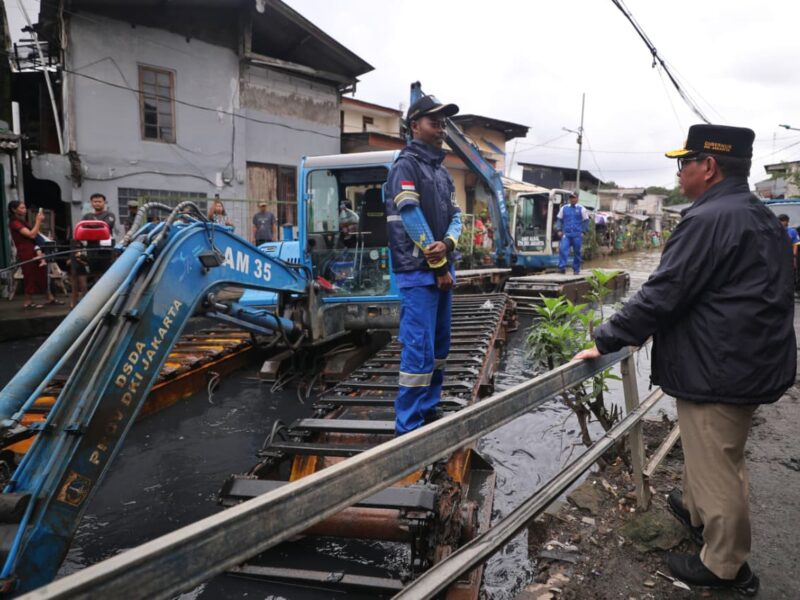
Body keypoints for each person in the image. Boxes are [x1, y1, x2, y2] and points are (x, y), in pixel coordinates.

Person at [574, 124, 796, 595]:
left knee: (718, 463)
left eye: (684, 163)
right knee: (714, 451)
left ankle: (726, 567)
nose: (678, 174)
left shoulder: (708, 219)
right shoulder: (756, 214)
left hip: (721, 368)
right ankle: (695, 509)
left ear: (709, 167)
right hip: (744, 360)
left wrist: (608, 338)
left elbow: (662, 293)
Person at [385, 94, 462, 435]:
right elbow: (411, 217)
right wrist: (440, 266)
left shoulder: (442, 173)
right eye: (435, 122)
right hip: (419, 274)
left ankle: (429, 410)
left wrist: (447, 244)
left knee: (440, 347)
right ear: (415, 125)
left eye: (443, 123)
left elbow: (458, 217)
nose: (441, 128)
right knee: (418, 350)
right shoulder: (406, 165)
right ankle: (408, 428)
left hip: (442, 267)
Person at [7, 201, 60, 309]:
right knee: (30, 275)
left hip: (34, 250)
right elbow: (31, 235)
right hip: (26, 251)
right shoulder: (15, 223)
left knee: (42, 274)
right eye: (22, 208)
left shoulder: (22, 221)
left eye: (24, 207)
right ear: (14, 209)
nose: (24, 209)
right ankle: (28, 302)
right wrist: (38, 221)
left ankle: (49, 297)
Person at [81, 193, 118, 281]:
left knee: (107, 271)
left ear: (104, 202)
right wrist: (97, 225)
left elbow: (106, 226)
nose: (97, 203)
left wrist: (90, 225)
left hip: (105, 248)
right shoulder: (87, 216)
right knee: (94, 271)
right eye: (95, 201)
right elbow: (82, 228)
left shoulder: (109, 215)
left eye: (99, 201)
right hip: (91, 247)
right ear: (91, 203)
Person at [555, 192, 589, 274]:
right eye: (571, 198)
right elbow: (559, 219)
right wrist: (559, 230)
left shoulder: (582, 209)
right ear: (569, 199)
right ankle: (562, 268)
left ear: (577, 199)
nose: (572, 199)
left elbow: (586, 221)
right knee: (563, 249)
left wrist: (583, 232)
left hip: (577, 234)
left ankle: (576, 269)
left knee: (577, 252)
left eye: (574, 198)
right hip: (566, 234)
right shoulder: (564, 208)